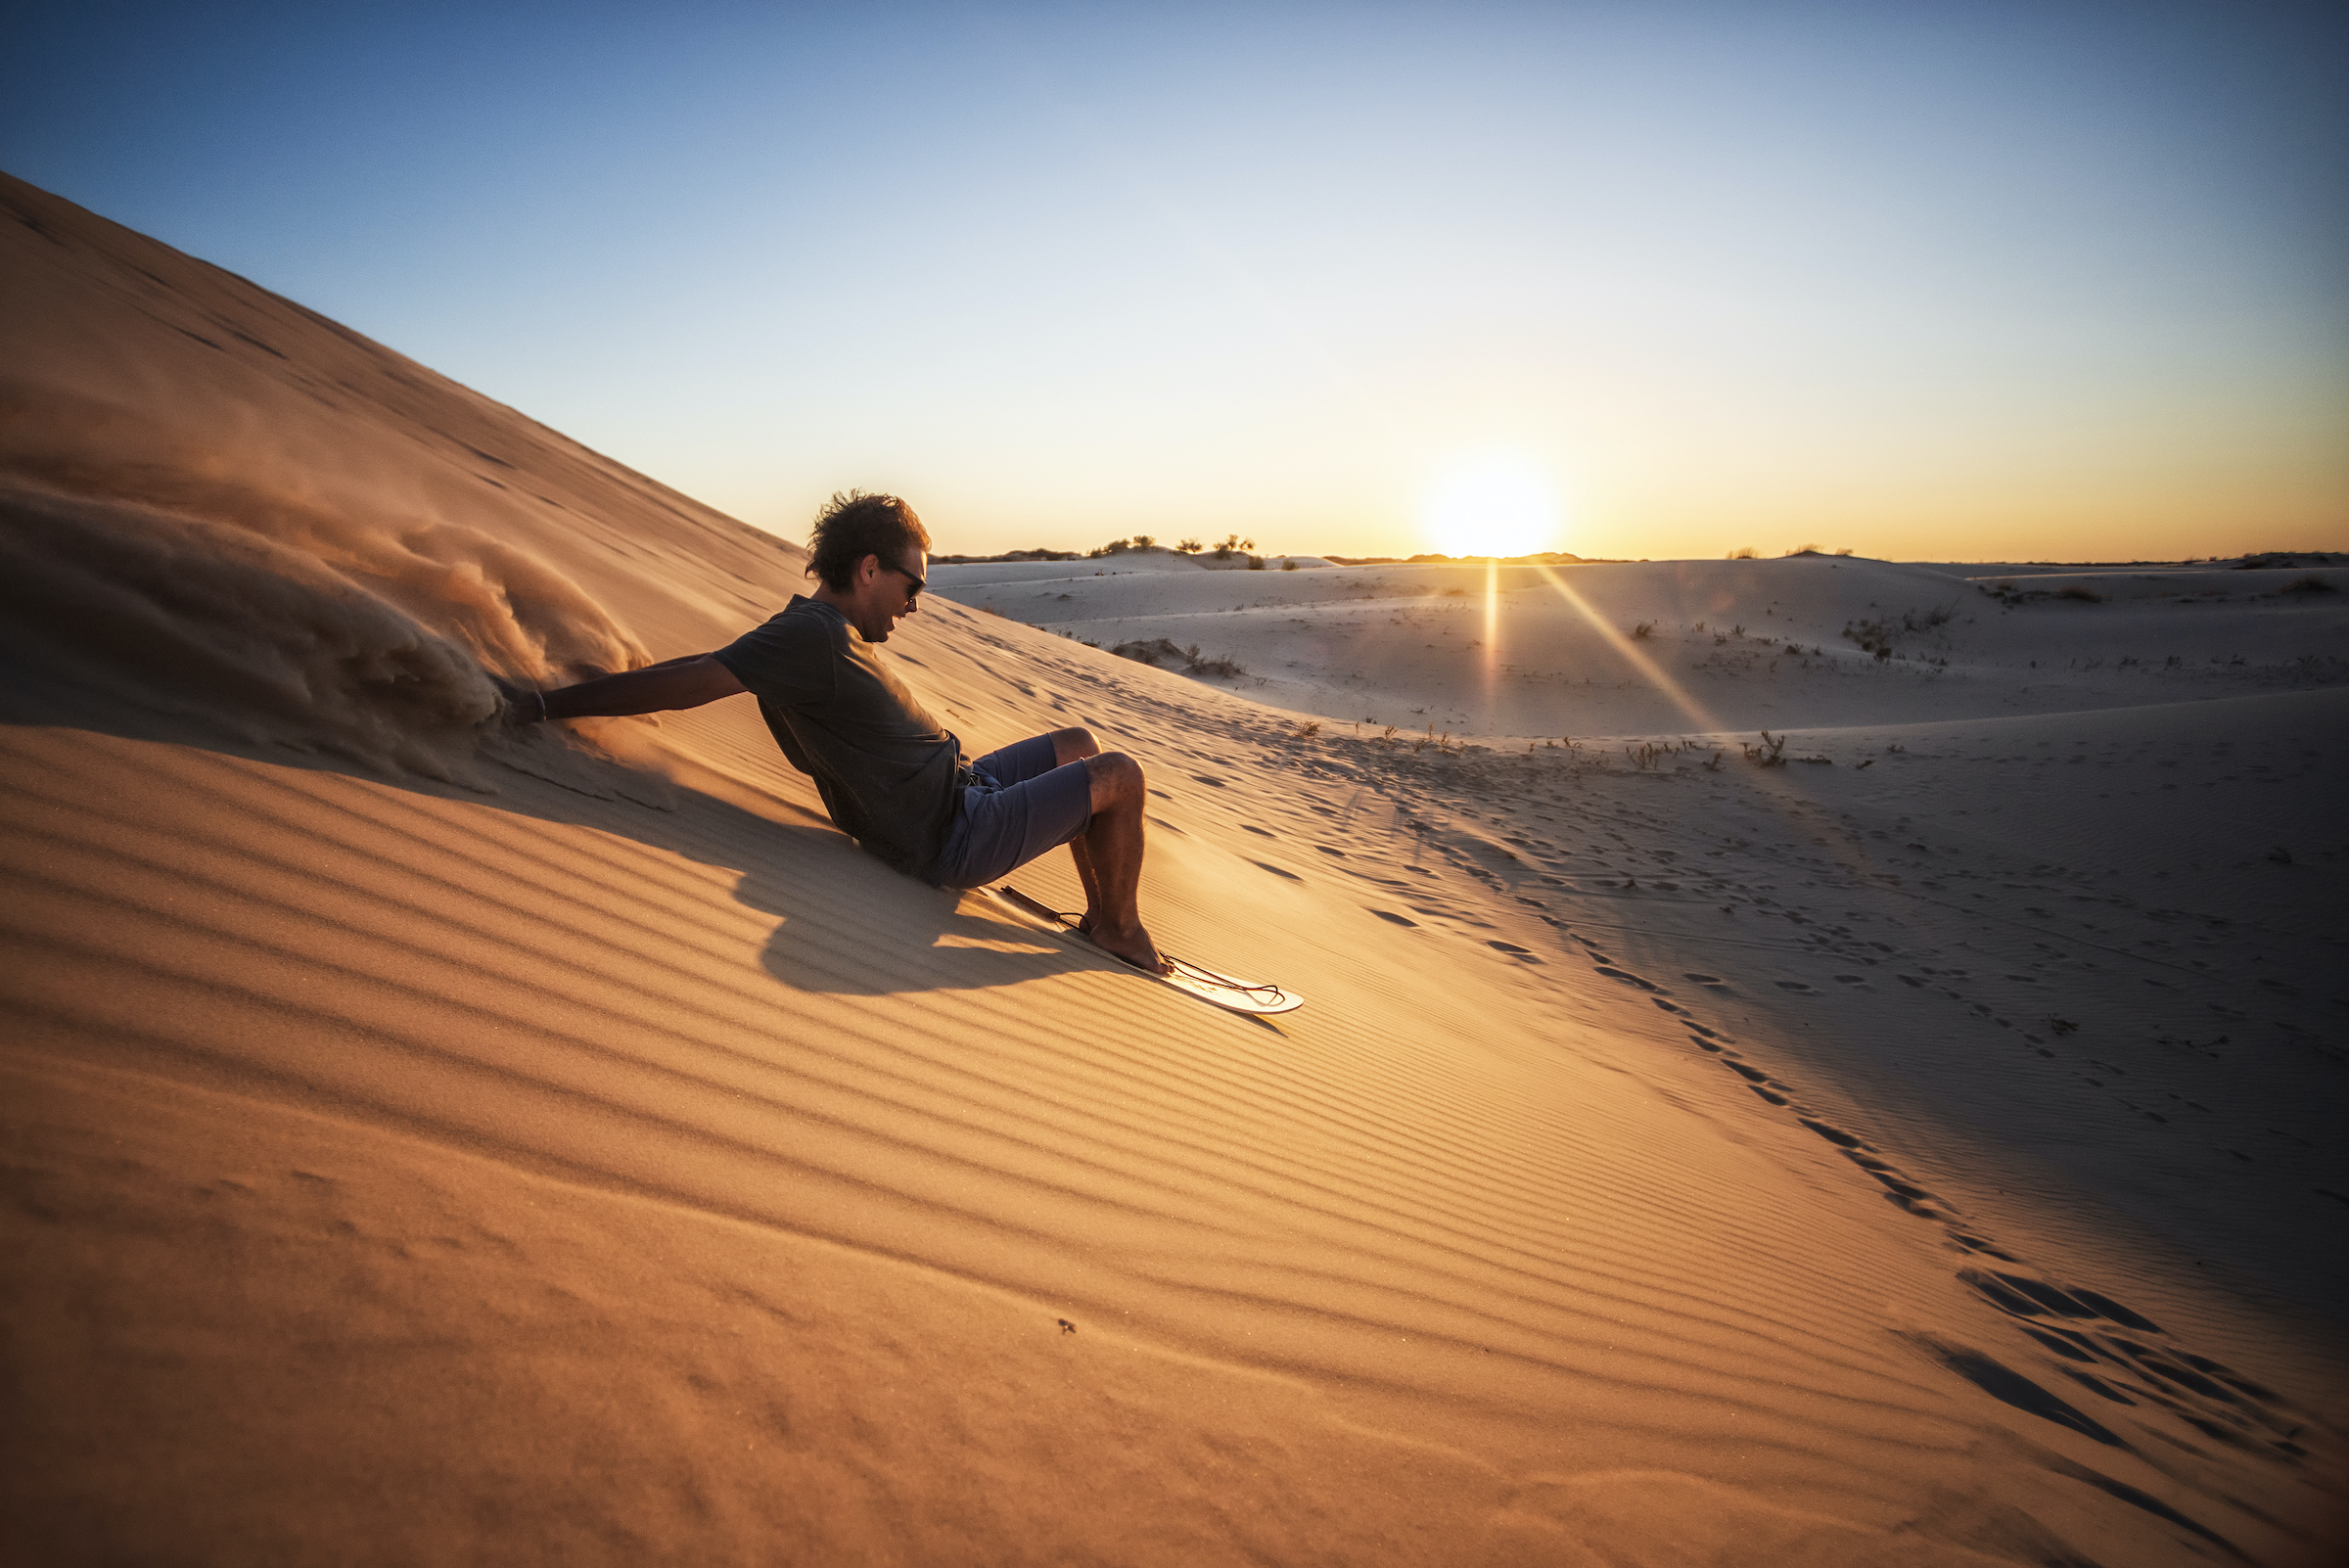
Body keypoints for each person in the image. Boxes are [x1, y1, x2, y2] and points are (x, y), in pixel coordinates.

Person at [499, 490, 1165, 972]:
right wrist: (542, 706)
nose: (914, 604)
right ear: (869, 569)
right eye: (913, 586)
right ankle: (1119, 927)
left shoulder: (809, 629)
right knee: (1121, 776)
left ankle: (1101, 913)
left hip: (966, 788)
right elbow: (692, 684)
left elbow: (708, 666)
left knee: (1079, 744)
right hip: (953, 835)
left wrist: (584, 685)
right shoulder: (811, 638)